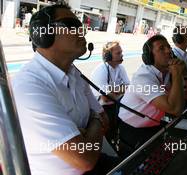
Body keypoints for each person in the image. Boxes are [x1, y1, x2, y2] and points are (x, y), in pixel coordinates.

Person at [12, 4, 118, 175]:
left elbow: (104, 118)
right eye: (71, 25)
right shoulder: (29, 85)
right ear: (44, 34)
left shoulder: (73, 72)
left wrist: (88, 130)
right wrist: (94, 121)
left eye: (81, 26)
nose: (81, 31)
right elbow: (83, 158)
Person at [118, 35, 187, 150]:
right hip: (132, 130)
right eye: (161, 48)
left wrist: (186, 74)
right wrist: (177, 74)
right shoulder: (142, 78)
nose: (168, 51)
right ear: (150, 56)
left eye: (168, 47)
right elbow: (175, 109)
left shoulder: (167, 72)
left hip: (154, 124)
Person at [91, 41, 130, 144]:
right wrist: (121, 89)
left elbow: (129, 88)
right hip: (102, 109)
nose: (122, 55)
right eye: (118, 53)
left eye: (121, 52)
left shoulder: (120, 68)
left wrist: (115, 91)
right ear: (108, 56)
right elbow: (106, 98)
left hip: (115, 105)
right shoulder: (101, 70)